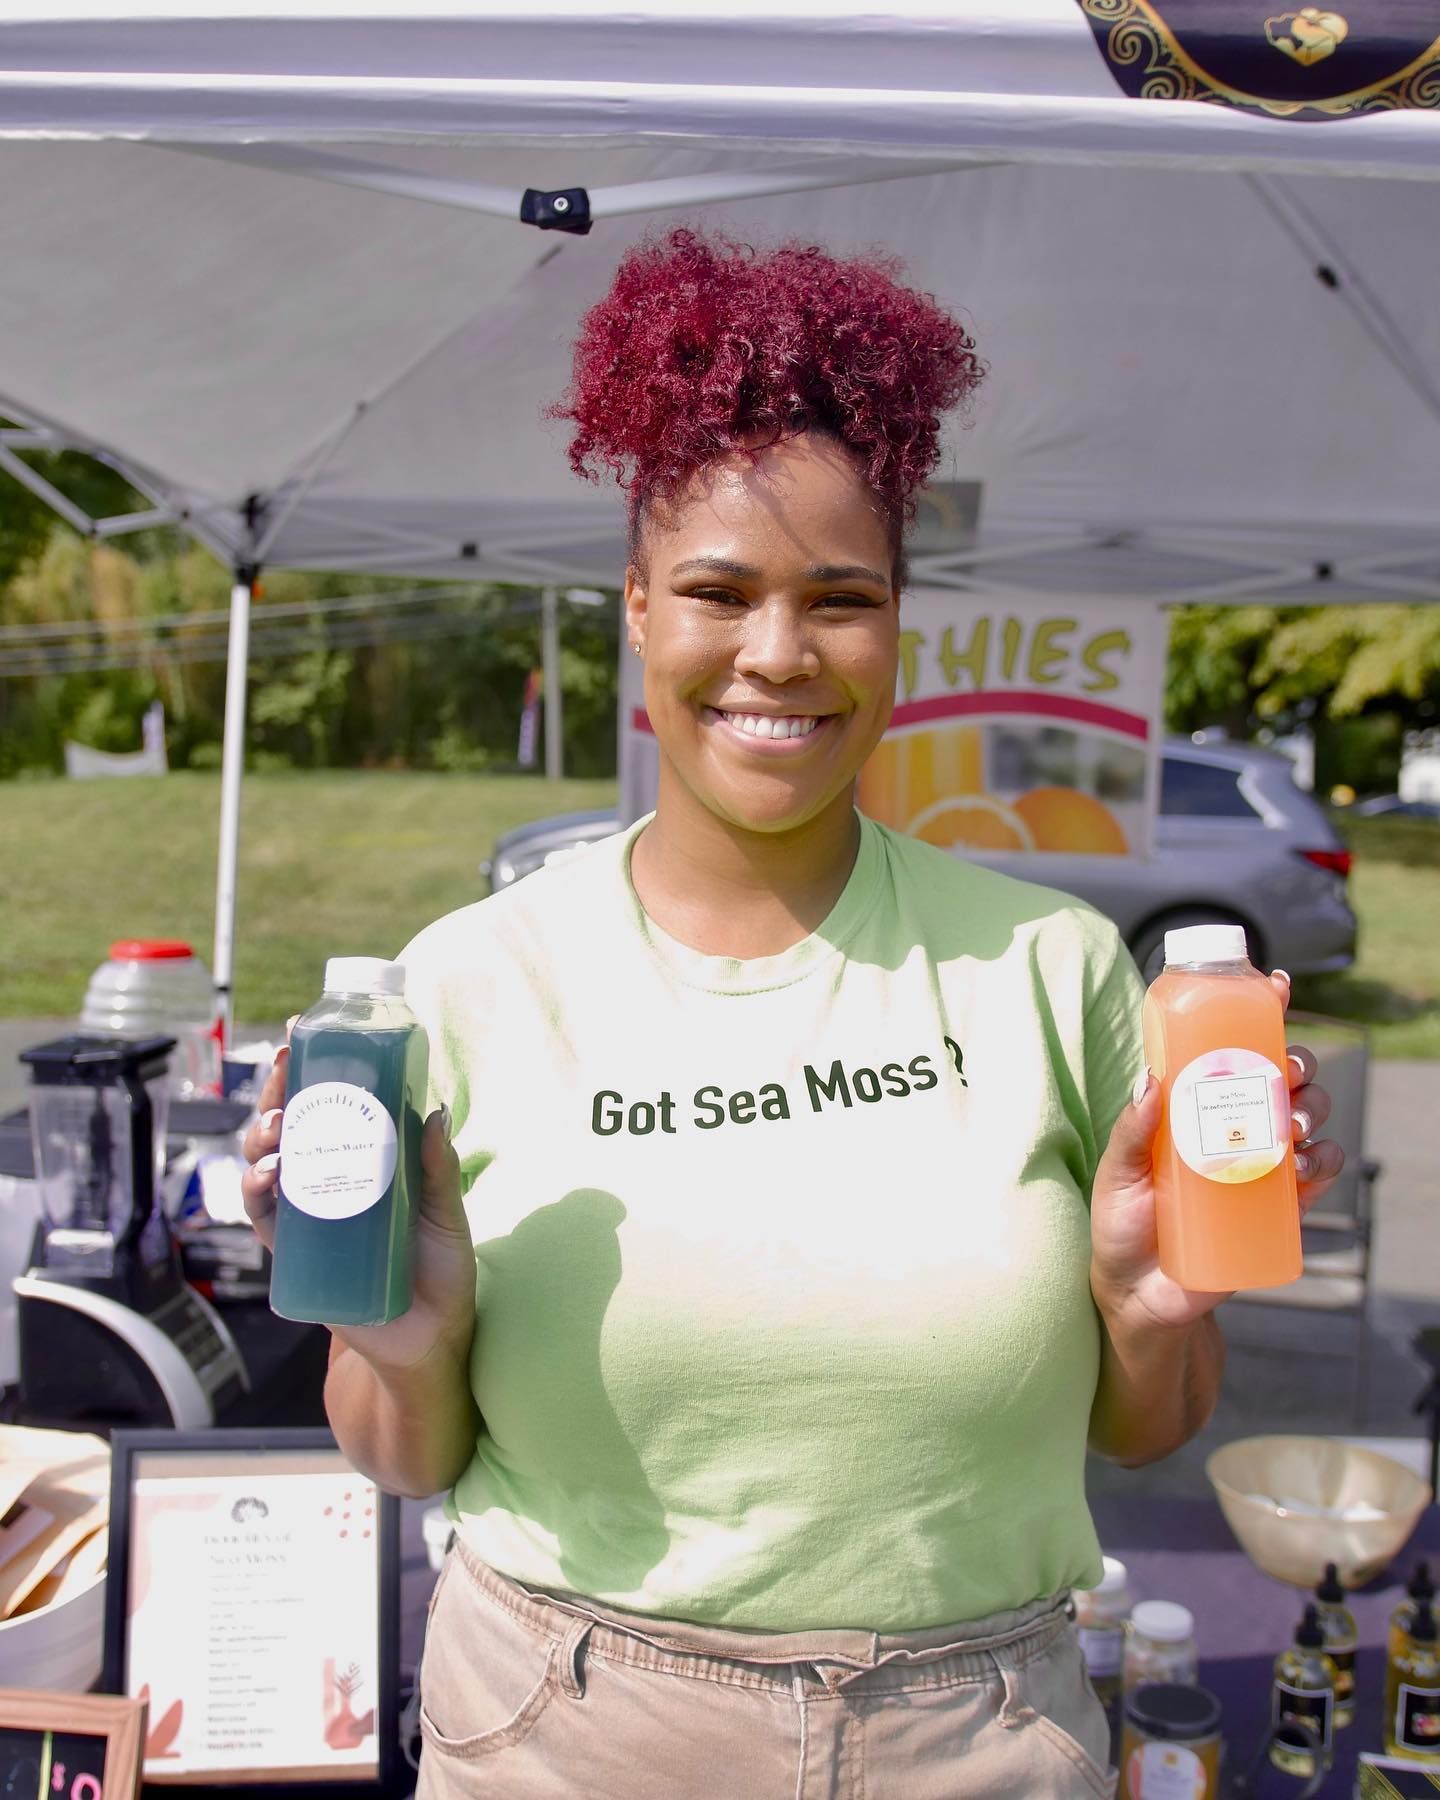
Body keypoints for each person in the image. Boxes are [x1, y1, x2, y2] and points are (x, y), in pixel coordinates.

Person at [241, 229, 1342, 1798]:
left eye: (841, 597)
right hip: (565, 1730)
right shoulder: (473, 979)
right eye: (716, 591)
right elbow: (402, 1455)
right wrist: (404, 1344)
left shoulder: (1054, 967)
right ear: (634, 608)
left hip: (977, 1737)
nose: (777, 654)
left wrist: (1154, 1315)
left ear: (901, 624)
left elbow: (1143, 1428)